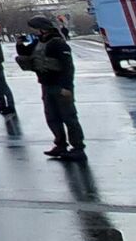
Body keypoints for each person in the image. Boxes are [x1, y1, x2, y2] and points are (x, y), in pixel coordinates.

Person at [16, 16, 85, 160]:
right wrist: (20, 43)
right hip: (46, 84)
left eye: (35, 29)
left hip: (60, 86)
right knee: (52, 117)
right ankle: (60, 144)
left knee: (69, 117)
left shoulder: (57, 43)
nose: (33, 32)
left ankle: (78, 148)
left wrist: (67, 87)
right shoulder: (39, 42)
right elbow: (25, 53)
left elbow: (68, 67)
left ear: (42, 29)